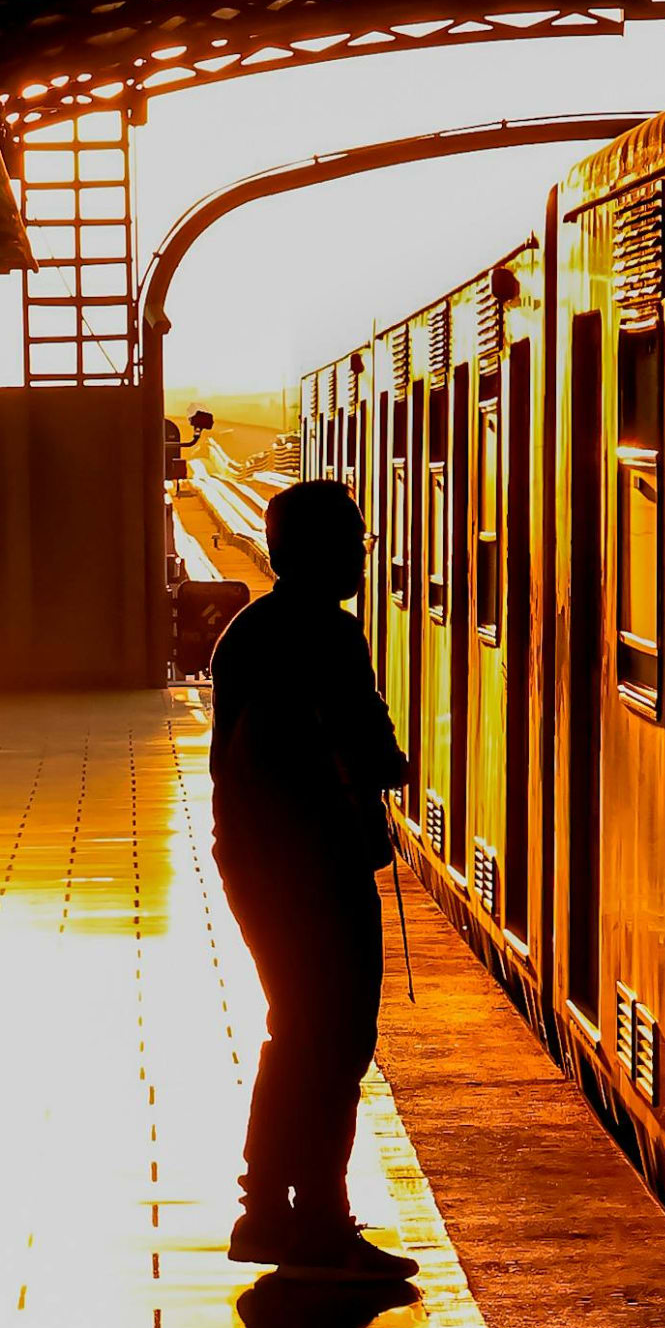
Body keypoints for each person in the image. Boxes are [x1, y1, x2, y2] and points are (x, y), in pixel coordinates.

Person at [207, 478, 417, 1285]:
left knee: (300, 1029)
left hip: (260, 858)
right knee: (332, 1036)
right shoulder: (323, 635)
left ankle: (271, 1210)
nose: (361, 548)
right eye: (350, 536)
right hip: (307, 864)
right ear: (312, 549)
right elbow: (370, 745)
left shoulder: (251, 631)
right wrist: (375, 767)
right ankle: (311, 1216)